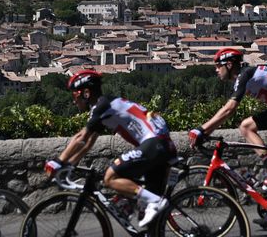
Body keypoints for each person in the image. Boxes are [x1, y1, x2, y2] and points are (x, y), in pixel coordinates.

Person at [188, 48, 267, 227]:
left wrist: (202, 130)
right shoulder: (243, 77)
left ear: (229, 65)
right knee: (245, 127)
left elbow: (229, 110)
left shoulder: (244, 75)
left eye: (218, 66)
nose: (216, 70)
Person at [45, 69, 177, 229]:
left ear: (86, 93)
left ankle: (156, 201)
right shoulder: (106, 105)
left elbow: (81, 138)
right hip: (162, 146)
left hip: (154, 145)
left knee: (110, 177)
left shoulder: (101, 106)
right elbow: (87, 145)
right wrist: (70, 165)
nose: (74, 101)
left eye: (75, 96)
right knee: (151, 224)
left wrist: (58, 162)